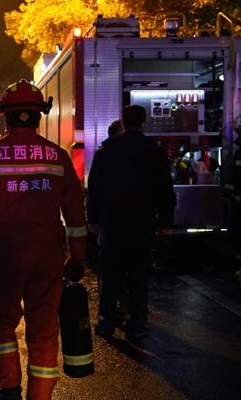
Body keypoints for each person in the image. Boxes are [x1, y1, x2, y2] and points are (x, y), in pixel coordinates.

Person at [0, 79, 87, 400]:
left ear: (5, 116)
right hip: (48, 256)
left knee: (1, 322)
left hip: (6, 255)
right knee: (43, 331)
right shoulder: (57, 156)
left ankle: (9, 390)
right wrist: (78, 256)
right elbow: (75, 214)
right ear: (39, 115)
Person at [86, 104, 176, 343]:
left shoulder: (106, 150)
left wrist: (93, 219)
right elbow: (164, 188)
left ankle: (106, 321)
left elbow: (94, 188)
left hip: (112, 223)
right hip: (142, 224)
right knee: (139, 277)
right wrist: (165, 220)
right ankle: (137, 324)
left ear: (123, 122)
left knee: (110, 274)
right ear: (143, 122)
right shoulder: (153, 151)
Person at [223, 126, 241, 280]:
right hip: (237, 203)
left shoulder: (238, 153)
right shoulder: (238, 153)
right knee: (236, 235)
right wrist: (227, 192)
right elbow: (235, 177)